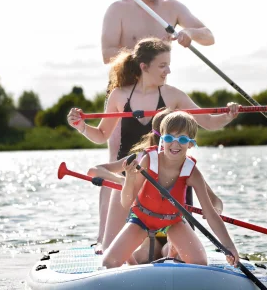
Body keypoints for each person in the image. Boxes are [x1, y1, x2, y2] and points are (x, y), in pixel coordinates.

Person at [67, 37, 238, 253]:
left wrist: (228, 115)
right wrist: (80, 125)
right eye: (162, 65)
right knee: (109, 250)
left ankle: (166, 249)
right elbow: (101, 135)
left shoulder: (173, 95)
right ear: (143, 66)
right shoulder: (119, 95)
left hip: (165, 179)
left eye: (168, 64)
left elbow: (209, 122)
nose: (168, 70)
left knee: (171, 251)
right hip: (129, 177)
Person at [97, 0, 217, 255]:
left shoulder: (173, 7)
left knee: (164, 159)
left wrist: (189, 34)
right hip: (125, 94)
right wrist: (147, 53)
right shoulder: (118, 9)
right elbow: (107, 53)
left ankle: (169, 237)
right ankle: (105, 239)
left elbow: (209, 36)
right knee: (120, 162)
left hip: (159, 93)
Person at [102, 111, 240, 269]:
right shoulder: (148, 160)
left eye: (182, 139)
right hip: (141, 219)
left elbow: (210, 213)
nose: (175, 144)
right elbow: (126, 203)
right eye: (169, 138)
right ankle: (135, 257)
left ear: (190, 144)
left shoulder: (192, 171)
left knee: (200, 263)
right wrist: (130, 179)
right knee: (109, 263)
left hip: (172, 221)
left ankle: (171, 252)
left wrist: (229, 246)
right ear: (161, 140)